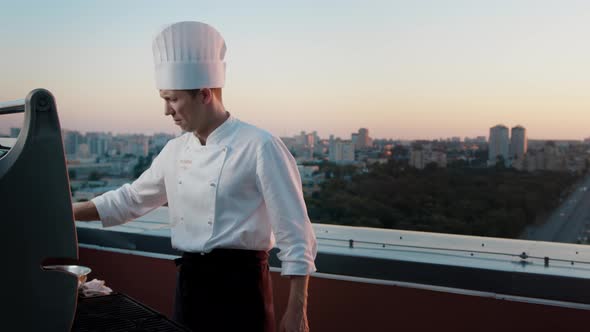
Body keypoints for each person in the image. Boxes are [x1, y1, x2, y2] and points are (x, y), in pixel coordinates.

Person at [73, 21, 317, 332]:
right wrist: (67, 213)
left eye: (172, 99)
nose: (166, 110)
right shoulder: (175, 150)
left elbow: (295, 234)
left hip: (242, 291)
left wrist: (297, 311)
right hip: (190, 286)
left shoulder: (260, 145)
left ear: (204, 94)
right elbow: (131, 199)